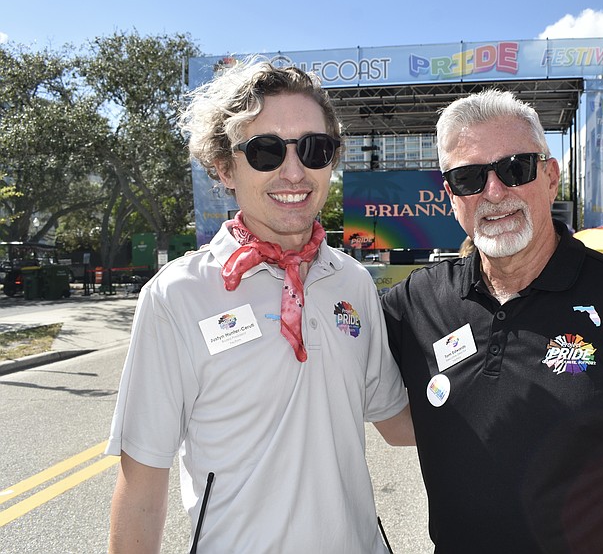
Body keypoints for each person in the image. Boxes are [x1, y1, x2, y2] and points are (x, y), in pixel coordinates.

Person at [382, 88, 603, 553]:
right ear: (451, 196)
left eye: (515, 169)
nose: (494, 192)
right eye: (469, 178)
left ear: (551, 176)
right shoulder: (416, 303)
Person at [106, 59, 413, 553]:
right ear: (224, 168)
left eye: (314, 149)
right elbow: (142, 485)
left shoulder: (352, 282)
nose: (294, 172)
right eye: (266, 151)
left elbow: (396, 421)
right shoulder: (176, 296)